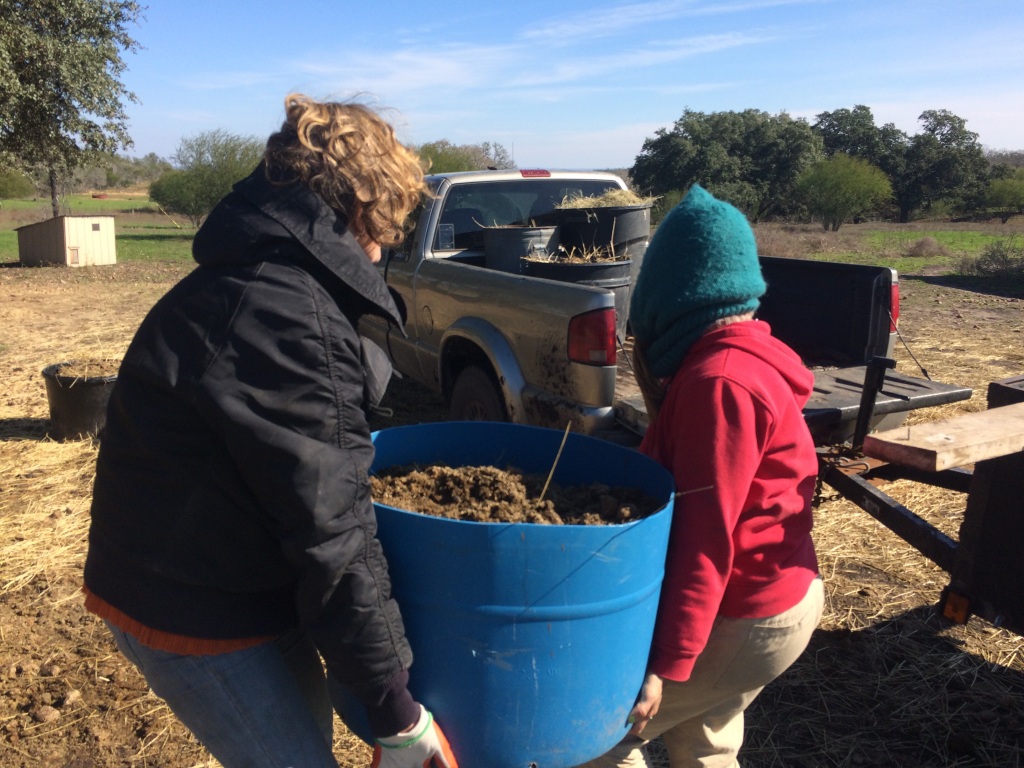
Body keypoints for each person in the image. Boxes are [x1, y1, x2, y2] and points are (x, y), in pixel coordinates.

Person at [82, 93, 458, 768]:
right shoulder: (281, 313)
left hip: (234, 568)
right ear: (358, 207)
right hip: (190, 604)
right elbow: (330, 528)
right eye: (386, 225)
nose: (382, 248)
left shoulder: (262, 281)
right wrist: (398, 715)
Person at [579, 185, 824, 768]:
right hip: (774, 602)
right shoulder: (746, 358)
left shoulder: (719, 385)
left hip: (744, 614)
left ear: (672, 301)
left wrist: (662, 664)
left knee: (596, 736)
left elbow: (703, 539)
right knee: (703, 738)